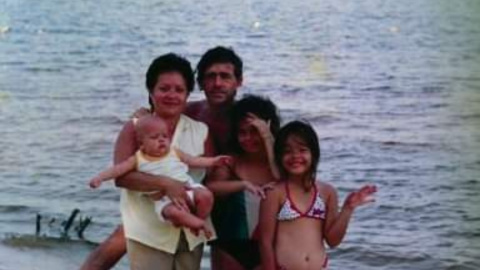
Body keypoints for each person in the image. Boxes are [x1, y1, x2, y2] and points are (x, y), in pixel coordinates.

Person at [80, 46, 244, 270]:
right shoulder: (137, 127)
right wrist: (166, 184)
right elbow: (121, 177)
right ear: (150, 90)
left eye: (179, 90)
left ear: (187, 94)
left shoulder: (204, 128)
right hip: (148, 226)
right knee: (117, 244)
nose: (172, 95)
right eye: (164, 88)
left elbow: (212, 177)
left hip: (191, 226)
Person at [259, 121, 377, 270]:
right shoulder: (275, 193)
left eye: (302, 150)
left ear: (313, 154)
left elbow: (333, 241)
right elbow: (265, 243)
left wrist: (347, 209)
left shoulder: (327, 192)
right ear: (279, 156)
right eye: (287, 151)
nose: (295, 156)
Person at [89, 116, 233, 237]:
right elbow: (117, 170)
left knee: (206, 195)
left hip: (188, 187)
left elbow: (194, 161)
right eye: (154, 137)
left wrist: (214, 161)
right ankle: (197, 224)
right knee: (173, 213)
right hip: (164, 199)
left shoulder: (174, 152)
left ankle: (198, 220)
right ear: (141, 143)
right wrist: (100, 178)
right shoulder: (138, 159)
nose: (162, 140)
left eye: (165, 136)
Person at [205, 95, 281, 270]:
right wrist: (243, 185)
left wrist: (268, 140)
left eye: (254, 131)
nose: (248, 138)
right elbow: (211, 187)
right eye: (242, 132)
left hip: (273, 246)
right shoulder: (233, 160)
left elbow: (284, 182)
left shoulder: (282, 162)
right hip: (231, 246)